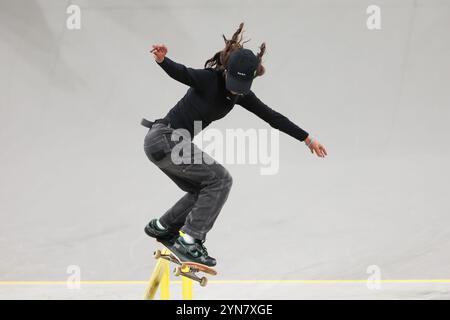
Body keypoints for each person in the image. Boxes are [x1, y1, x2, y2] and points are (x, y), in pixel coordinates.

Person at [143, 23, 327, 267]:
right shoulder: (209, 79)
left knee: (203, 190)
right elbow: (183, 72)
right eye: (231, 81)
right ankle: (189, 240)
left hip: (163, 144)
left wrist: (307, 139)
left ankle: (164, 227)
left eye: (241, 86)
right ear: (226, 69)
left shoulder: (240, 95)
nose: (234, 89)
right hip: (164, 138)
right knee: (220, 180)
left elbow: (272, 116)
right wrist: (162, 60)